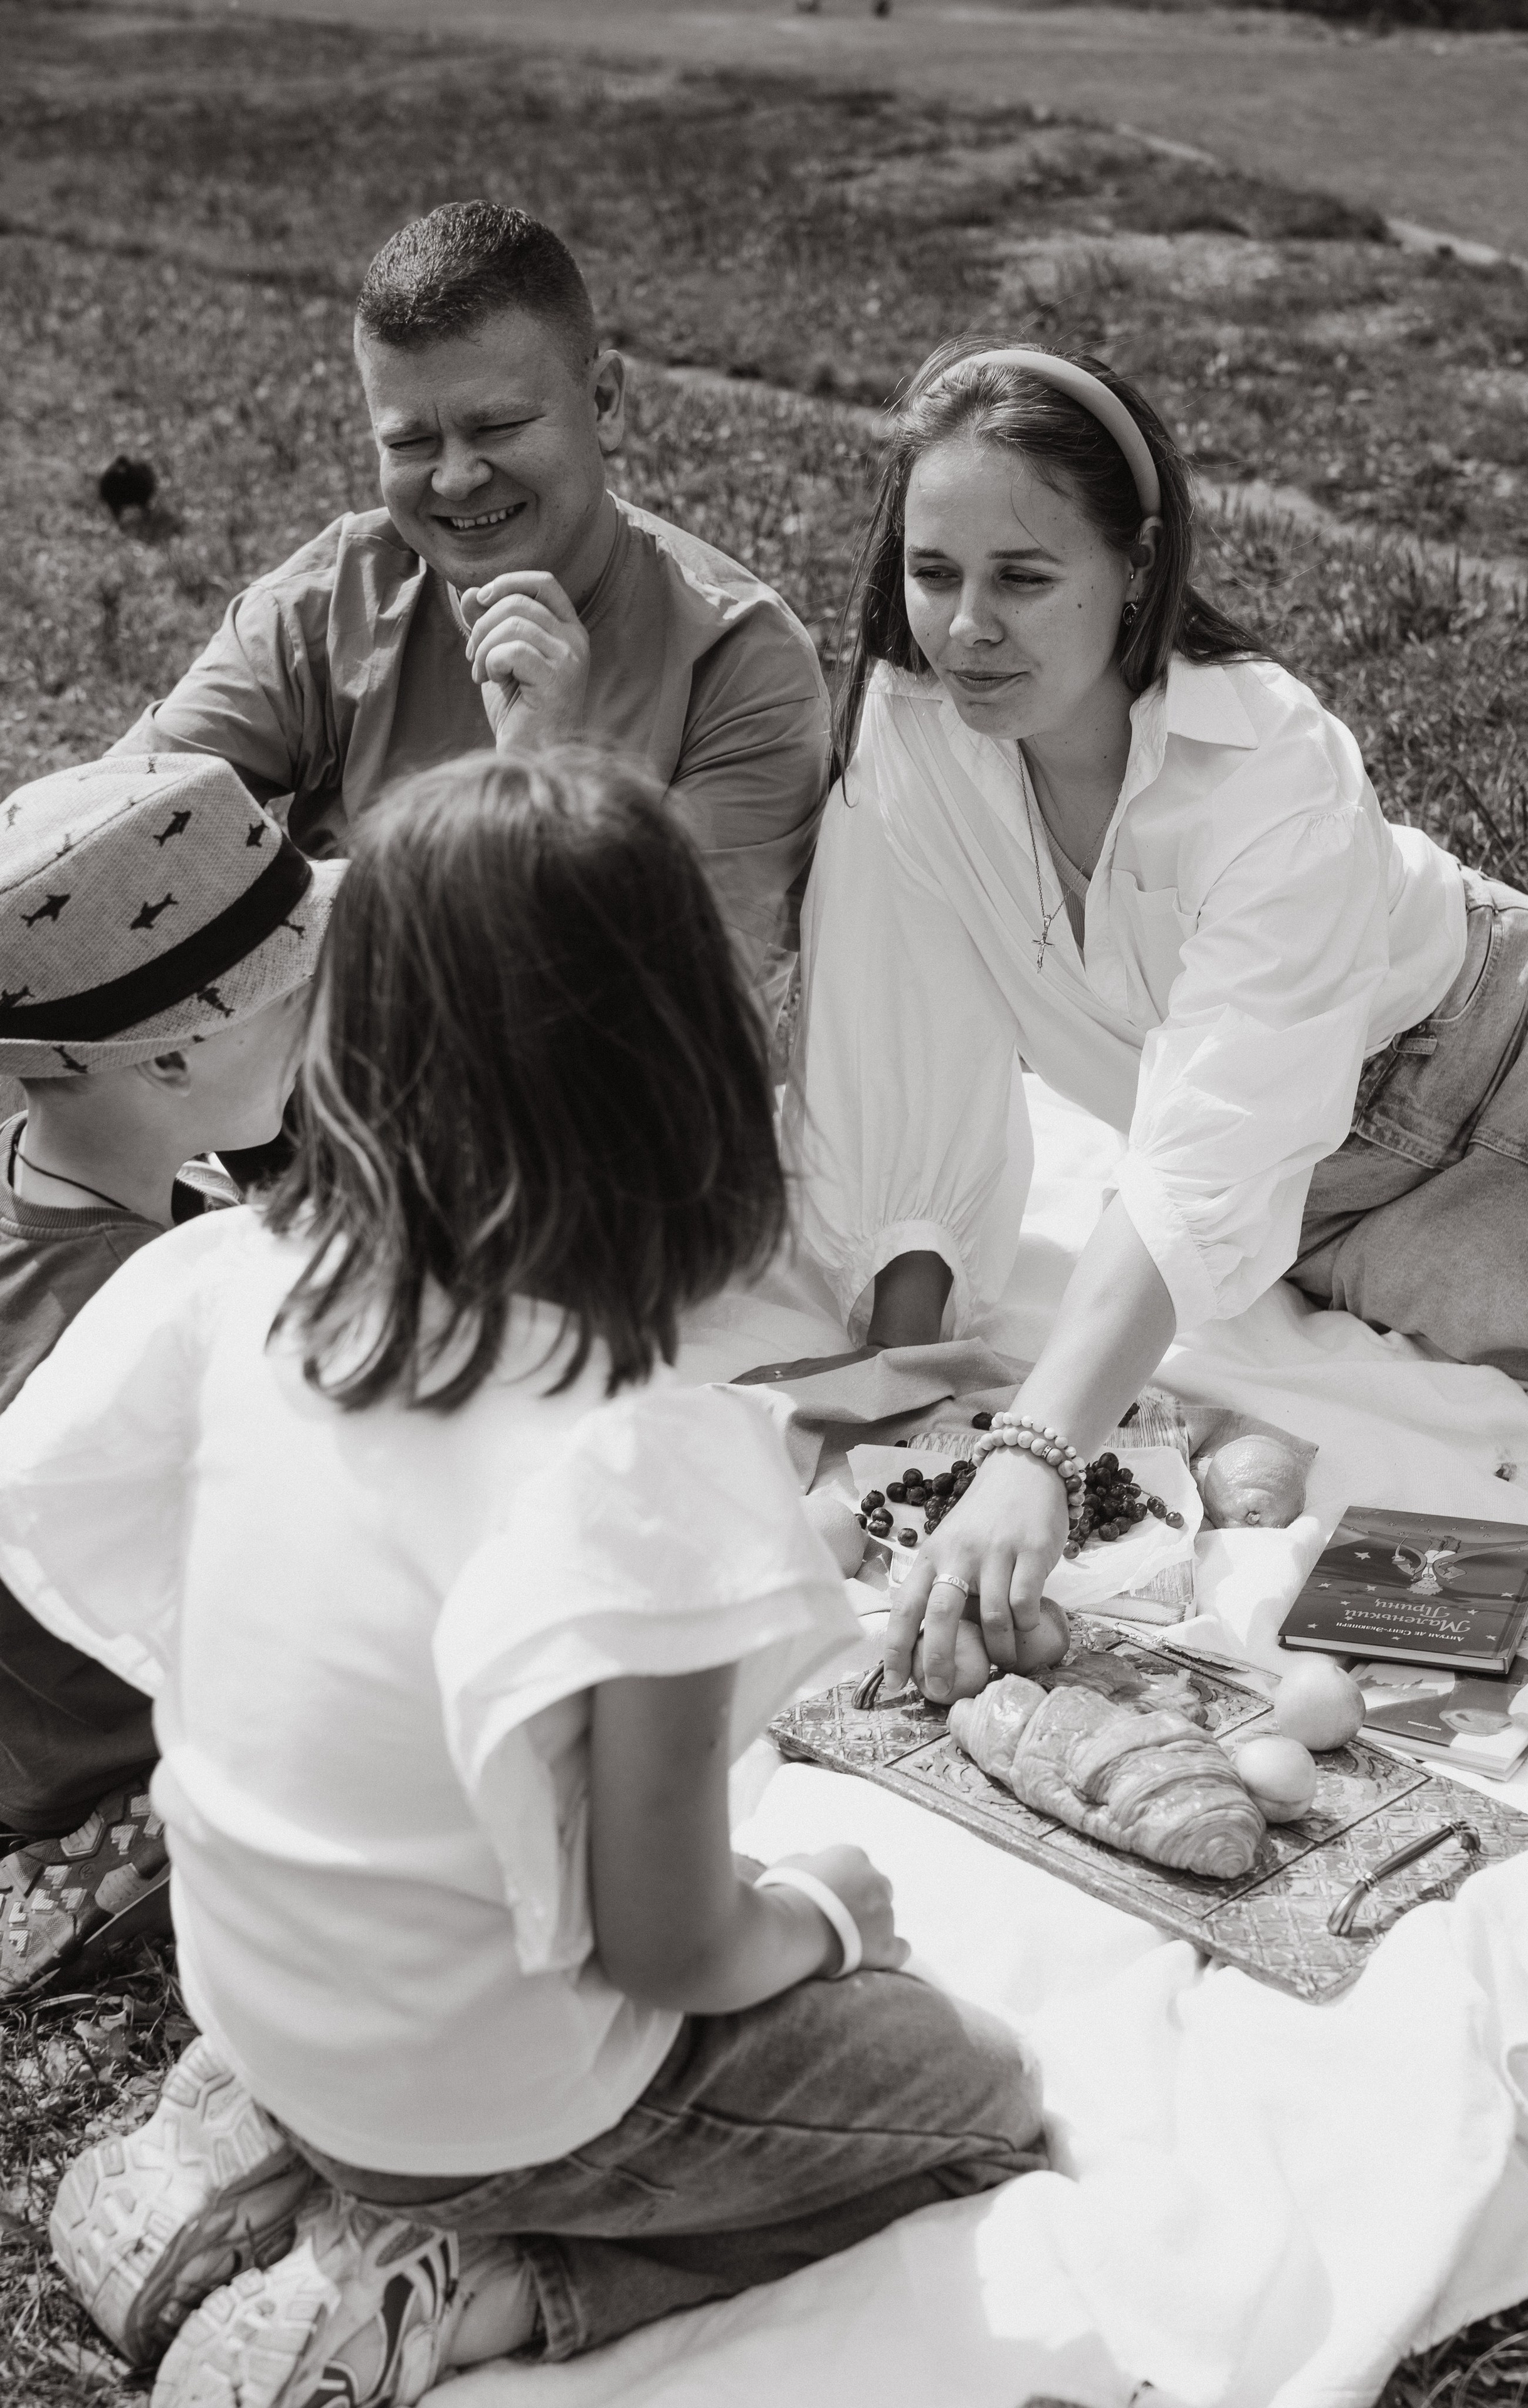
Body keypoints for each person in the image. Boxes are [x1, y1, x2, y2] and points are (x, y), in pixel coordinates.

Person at [9, 751, 1046, 2404]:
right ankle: (466, 2284)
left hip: (256, 1976)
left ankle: (245, 2142)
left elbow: (62, 1512)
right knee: (979, 2097)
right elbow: (668, 1951)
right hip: (481, 2096)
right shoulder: (643, 1464)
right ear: (694, 1067)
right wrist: (824, 1923)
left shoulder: (219, 1275)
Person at [779, 339, 1528, 1705]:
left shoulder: (1268, 762)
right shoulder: (909, 731)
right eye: (934, 574)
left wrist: (1034, 1450)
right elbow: (886, 1037)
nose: (966, 626)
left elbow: (1211, 1136)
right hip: (1348, 1226)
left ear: (1139, 568)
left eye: (1023, 577)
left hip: (1517, 1050)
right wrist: (908, 1390)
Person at [108, 200, 831, 1027]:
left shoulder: (738, 659)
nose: (454, 479)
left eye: (499, 426)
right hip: (318, 1118)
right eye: (411, 442)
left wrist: (538, 779)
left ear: (604, 399)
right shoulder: (332, 600)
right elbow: (102, 842)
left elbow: (655, 1012)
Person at [0, 752, 337, 1997]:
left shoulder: (60, 1185)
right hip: (110, 1768)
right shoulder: (123, 1320)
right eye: (297, 995)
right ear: (178, 1058)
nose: (323, 1017)